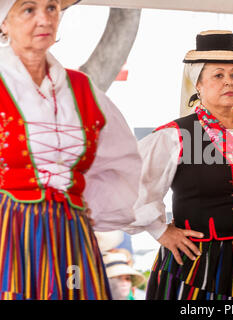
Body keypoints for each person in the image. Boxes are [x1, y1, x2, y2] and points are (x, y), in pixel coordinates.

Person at [0, 0, 141, 299]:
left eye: (52, 8)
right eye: (28, 9)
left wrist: (90, 207)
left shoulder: (81, 88)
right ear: (4, 22)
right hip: (7, 234)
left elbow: (121, 164)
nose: (44, 19)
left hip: (70, 231)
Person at [125, 30, 233, 300]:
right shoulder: (176, 135)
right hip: (200, 264)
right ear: (198, 83)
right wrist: (161, 231)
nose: (228, 82)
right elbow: (129, 185)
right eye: (218, 75)